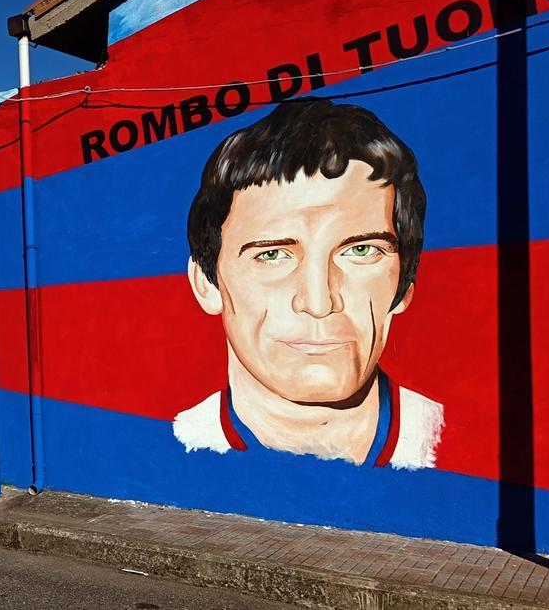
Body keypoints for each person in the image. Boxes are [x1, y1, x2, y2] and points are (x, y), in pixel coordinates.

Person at [174, 98, 443, 470]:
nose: (319, 302)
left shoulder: (455, 443)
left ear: (405, 284)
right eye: (271, 255)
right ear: (206, 283)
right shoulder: (179, 440)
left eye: (362, 250)